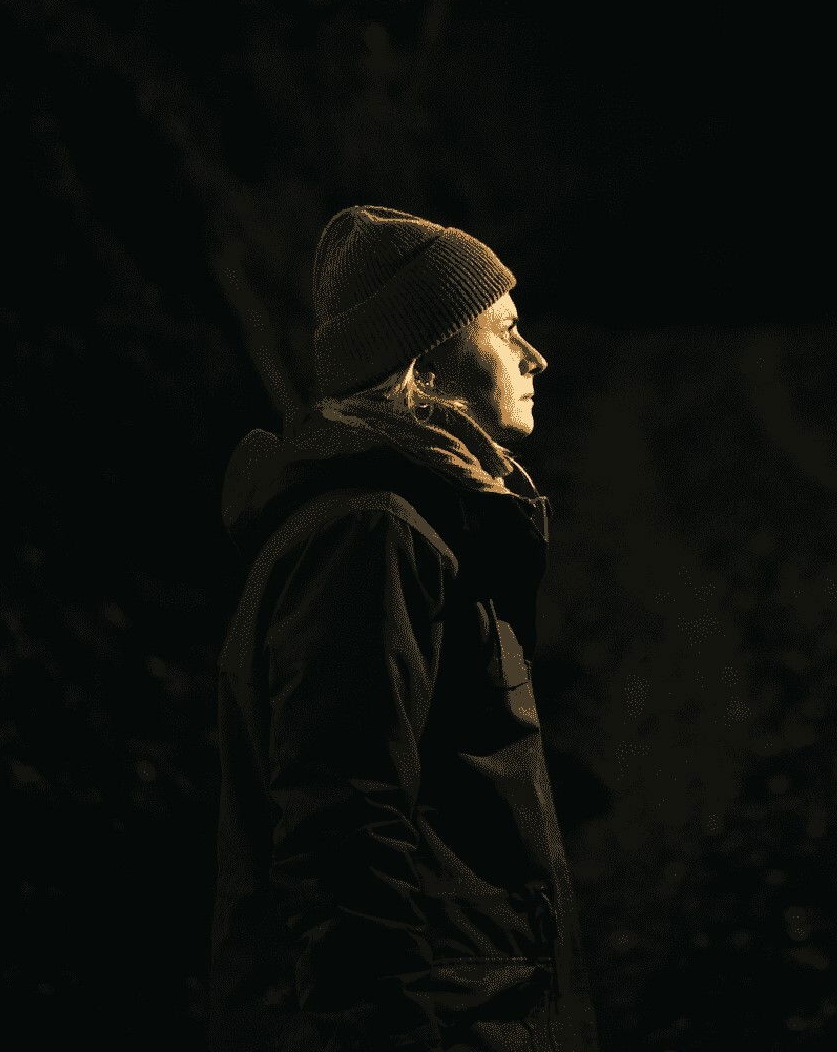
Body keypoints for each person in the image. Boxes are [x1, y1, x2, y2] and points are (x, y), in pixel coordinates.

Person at [209, 206, 598, 1051]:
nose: (534, 356)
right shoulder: (371, 536)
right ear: (426, 363)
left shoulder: (416, 525)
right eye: (505, 330)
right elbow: (342, 830)